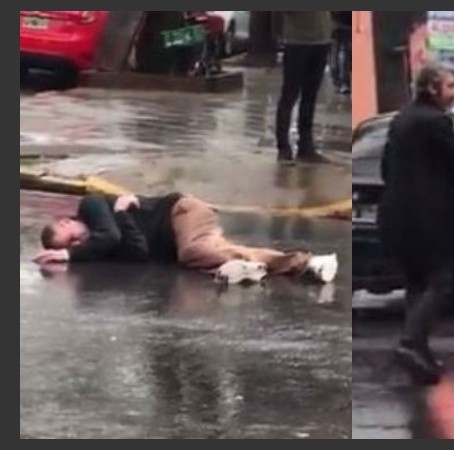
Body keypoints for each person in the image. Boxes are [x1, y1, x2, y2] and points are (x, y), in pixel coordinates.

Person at [379, 63, 454, 384]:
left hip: (397, 213)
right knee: (440, 281)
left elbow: (386, 165)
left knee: (416, 282)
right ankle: (411, 342)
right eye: (451, 86)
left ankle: (420, 354)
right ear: (432, 89)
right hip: (428, 216)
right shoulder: (435, 121)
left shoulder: (401, 119)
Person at [34, 193, 338, 284]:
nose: (77, 242)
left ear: (66, 220)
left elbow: (110, 235)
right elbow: (139, 251)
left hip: (181, 212)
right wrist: (124, 215)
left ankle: (249, 266)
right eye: (70, 246)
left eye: (70, 237)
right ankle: (305, 262)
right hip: (182, 231)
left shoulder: (90, 206)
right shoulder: (102, 245)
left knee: (192, 253)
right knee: (216, 250)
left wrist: (70, 257)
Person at [275, 12, 333, 163]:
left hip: (321, 41)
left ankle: (306, 148)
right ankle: (283, 148)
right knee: (289, 95)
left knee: (310, 96)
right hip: (297, 42)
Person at [331, 11, 352, 95]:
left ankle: (338, 82)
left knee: (335, 53)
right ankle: (344, 83)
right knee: (344, 54)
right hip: (346, 26)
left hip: (334, 26)